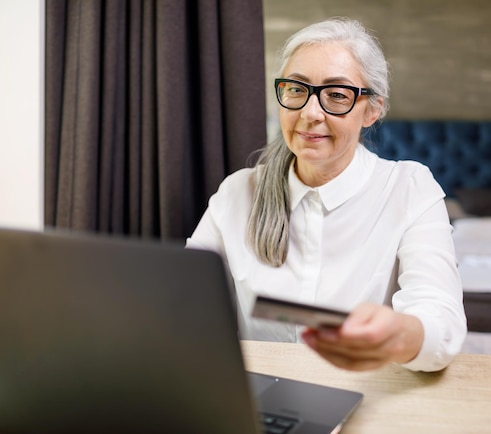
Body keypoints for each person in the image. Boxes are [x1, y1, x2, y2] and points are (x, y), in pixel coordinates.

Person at [186, 17, 467, 373]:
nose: (310, 113)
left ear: (372, 109)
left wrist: (400, 334)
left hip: (366, 395)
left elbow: (439, 319)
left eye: (336, 95)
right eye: (296, 89)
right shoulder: (237, 192)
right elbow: (182, 299)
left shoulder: (409, 188)